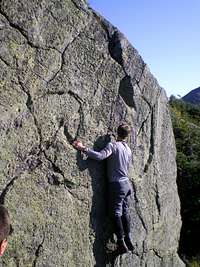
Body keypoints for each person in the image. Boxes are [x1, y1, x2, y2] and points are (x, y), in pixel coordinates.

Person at [73, 123, 134, 254]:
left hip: (116, 185)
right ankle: (129, 238)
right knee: (125, 211)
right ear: (127, 136)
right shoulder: (128, 149)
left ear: (117, 133)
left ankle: (121, 242)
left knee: (116, 213)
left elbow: (100, 156)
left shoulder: (113, 146)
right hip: (126, 184)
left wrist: (83, 148)